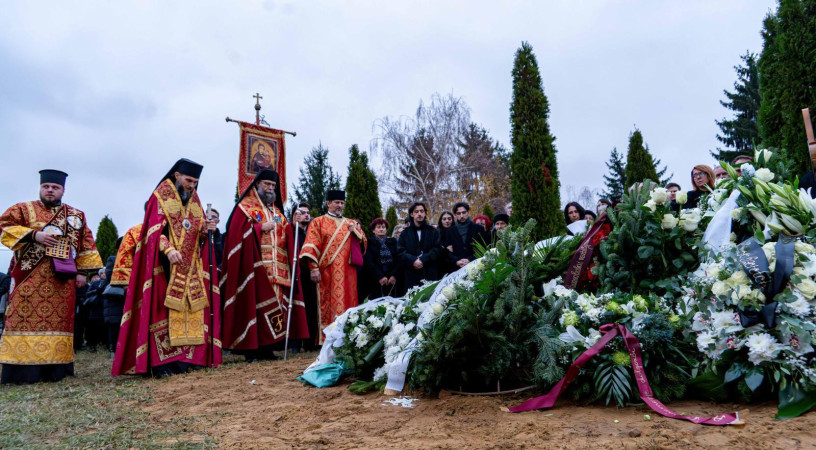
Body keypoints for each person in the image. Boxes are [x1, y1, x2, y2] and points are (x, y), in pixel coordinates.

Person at [112, 158, 221, 377]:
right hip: (163, 268)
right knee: (163, 313)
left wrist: (207, 230)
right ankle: (163, 363)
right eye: (188, 180)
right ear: (176, 176)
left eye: (195, 182)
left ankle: (190, 360)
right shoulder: (160, 197)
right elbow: (153, 232)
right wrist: (168, 249)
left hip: (191, 270)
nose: (191, 185)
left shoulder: (195, 201)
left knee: (192, 312)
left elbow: (198, 234)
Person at [0, 169, 103, 384]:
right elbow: (3, 226)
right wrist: (34, 235)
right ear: (40, 187)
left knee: (60, 322)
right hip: (29, 279)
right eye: (46, 186)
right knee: (22, 320)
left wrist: (83, 273)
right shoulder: (22, 209)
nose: (50, 190)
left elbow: (86, 243)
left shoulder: (76, 215)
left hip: (62, 281)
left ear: (63, 190)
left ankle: (56, 371)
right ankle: (21, 372)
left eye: (55, 187)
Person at [220, 170, 308, 361]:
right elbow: (235, 235)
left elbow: (285, 238)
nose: (270, 188)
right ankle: (253, 350)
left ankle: (268, 347)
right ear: (257, 185)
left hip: (280, 269)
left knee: (276, 308)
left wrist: (293, 226)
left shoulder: (276, 212)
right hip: (256, 269)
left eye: (273, 186)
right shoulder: (245, 208)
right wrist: (258, 228)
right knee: (256, 308)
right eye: (267, 184)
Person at [300, 190, 367, 343]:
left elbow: (363, 245)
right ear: (328, 203)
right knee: (326, 304)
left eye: (342, 203)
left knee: (349, 305)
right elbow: (310, 246)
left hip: (348, 274)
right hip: (327, 272)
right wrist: (314, 268)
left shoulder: (350, 223)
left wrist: (356, 231)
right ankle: (327, 338)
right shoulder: (318, 222)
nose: (339, 205)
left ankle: (348, 337)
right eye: (336, 202)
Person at [290, 202, 319, 351]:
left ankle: (310, 342)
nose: (306, 214)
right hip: (295, 274)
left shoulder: (311, 233)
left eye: (308, 212)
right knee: (296, 308)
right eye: (302, 212)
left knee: (311, 308)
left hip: (310, 275)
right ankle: (295, 343)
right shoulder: (290, 231)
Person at [398, 202, 441, 290]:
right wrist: (413, 260)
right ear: (412, 214)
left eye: (422, 211)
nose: (419, 214)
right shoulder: (404, 234)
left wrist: (423, 259)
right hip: (411, 275)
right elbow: (400, 252)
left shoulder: (433, 231)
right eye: (416, 211)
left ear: (425, 213)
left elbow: (437, 249)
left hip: (430, 273)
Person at [363, 218, 399, 299]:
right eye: (378, 227)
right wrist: (380, 277)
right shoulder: (369, 243)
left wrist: (394, 275)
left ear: (386, 229)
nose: (381, 229)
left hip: (391, 280)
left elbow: (398, 260)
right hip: (375, 280)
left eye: (383, 227)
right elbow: (369, 262)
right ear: (373, 230)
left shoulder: (393, 242)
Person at [447, 202, 488, 270]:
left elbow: (483, 248)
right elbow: (447, 252)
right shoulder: (450, 231)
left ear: (468, 212)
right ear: (455, 215)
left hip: (476, 266)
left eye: (464, 212)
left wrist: (469, 259)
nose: (462, 215)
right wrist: (457, 261)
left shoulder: (478, 228)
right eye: (458, 213)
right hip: (457, 269)